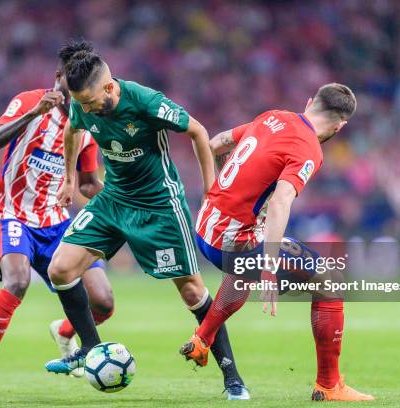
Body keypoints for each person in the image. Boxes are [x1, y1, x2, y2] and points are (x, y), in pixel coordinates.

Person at [45, 39, 249, 400]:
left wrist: (211, 191)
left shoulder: (145, 101)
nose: (87, 110)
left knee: (192, 291)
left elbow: (198, 132)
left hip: (159, 206)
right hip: (113, 200)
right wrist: (69, 179)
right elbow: (71, 131)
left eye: (92, 102)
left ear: (109, 87)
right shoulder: (82, 105)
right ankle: (90, 349)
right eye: (82, 104)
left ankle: (232, 378)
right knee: (60, 269)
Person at [180, 83, 374, 401]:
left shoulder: (273, 116)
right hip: (232, 241)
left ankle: (203, 338)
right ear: (341, 125)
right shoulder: (309, 148)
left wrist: (212, 190)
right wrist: (269, 268)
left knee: (245, 263)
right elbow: (283, 200)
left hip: (204, 226)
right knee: (330, 280)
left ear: (309, 101)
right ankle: (329, 385)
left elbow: (217, 143)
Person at [0, 44, 113, 401]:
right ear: (59, 78)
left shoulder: (88, 123)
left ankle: (65, 329)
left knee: (103, 301)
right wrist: (32, 115)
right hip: (14, 213)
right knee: (17, 280)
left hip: (58, 223)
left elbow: (87, 183)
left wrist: (122, 205)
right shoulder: (29, 101)